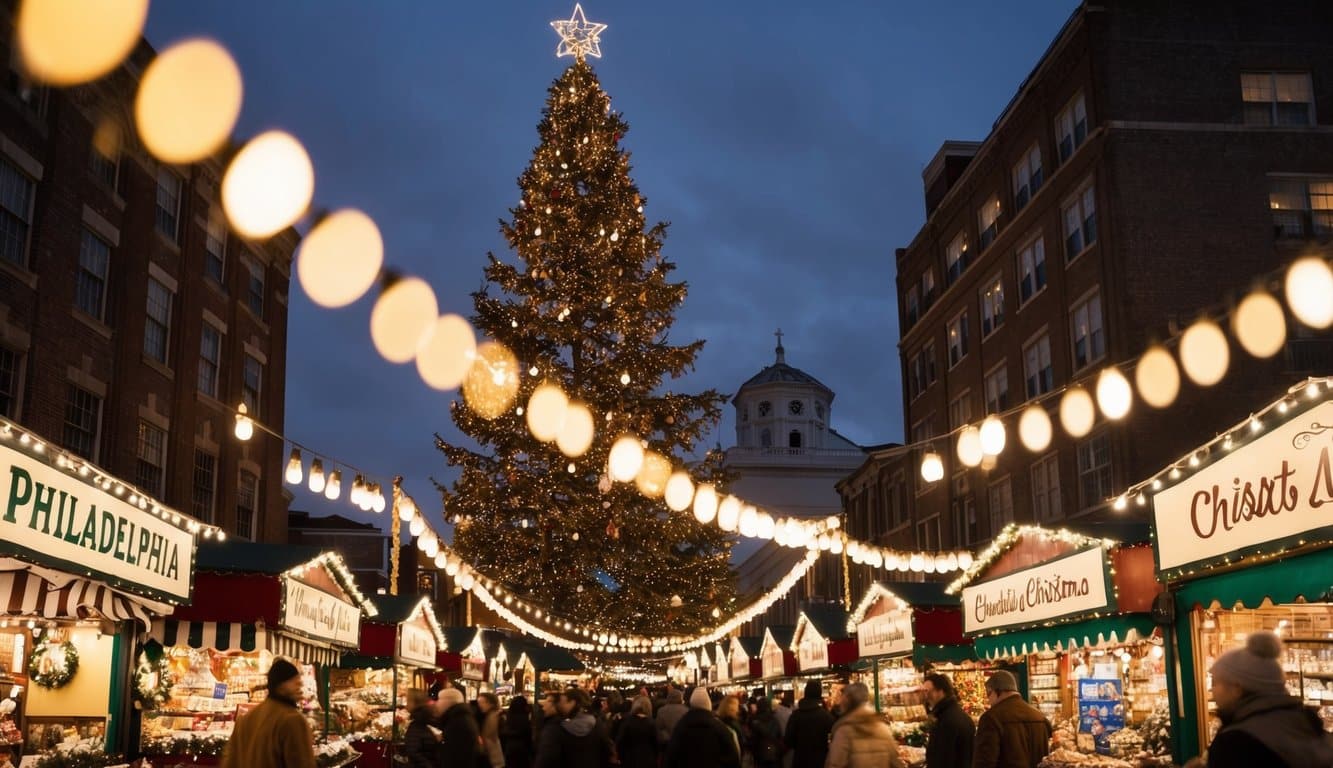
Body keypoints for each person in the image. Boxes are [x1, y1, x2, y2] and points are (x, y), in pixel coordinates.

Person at [1191, 631, 1333, 768]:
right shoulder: (1305, 722)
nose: (1212, 689)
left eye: (1216, 682)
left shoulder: (1236, 742)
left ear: (1236, 688)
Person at [220, 658, 317, 768]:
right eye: (295, 682)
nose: (300, 687)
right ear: (280, 686)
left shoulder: (245, 720)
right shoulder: (292, 720)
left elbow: (230, 762)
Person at [972, 670, 1051, 768]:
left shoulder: (991, 718)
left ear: (998, 691)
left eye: (988, 694)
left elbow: (984, 762)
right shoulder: (1039, 716)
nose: (988, 699)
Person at [825, 682, 905, 768]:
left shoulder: (844, 732)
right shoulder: (882, 728)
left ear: (847, 702)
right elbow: (896, 762)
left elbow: (834, 764)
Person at [665, 687, 740, 768]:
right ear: (708, 705)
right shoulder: (719, 728)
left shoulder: (681, 726)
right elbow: (732, 758)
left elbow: (671, 756)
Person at [922, 673, 974, 768]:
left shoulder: (946, 720)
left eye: (927, 691)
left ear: (940, 691)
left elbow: (941, 758)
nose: (926, 696)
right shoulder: (960, 715)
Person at [555, 688, 613, 768]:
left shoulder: (560, 726)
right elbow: (607, 749)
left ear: (573, 702)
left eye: (565, 702)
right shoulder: (596, 722)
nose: (562, 706)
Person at [784, 680, 833, 768]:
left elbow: (788, 740)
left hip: (800, 760)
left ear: (806, 693)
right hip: (820, 761)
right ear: (819, 694)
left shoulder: (796, 715)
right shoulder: (826, 716)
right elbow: (831, 740)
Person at [438, 688, 483, 768]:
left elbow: (457, 755)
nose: (437, 703)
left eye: (439, 699)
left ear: (447, 701)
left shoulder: (458, 721)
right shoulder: (460, 716)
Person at [616, 695, 658, 768]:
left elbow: (620, 741)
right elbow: (656, 743)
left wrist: (621, 757)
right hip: (648, 759)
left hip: (629, 759)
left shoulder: (627, 722)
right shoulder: (651, 723)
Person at [403, 688, 440, 768]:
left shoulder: (417, 724)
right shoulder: (426, 720)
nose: (406, 704)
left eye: (408, 700)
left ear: (414, 703)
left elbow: (414, 752)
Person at [747, 696, 783, 768]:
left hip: (760, 755)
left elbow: (752, 740)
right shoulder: (774, 720)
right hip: (773, 754)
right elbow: (779, 736)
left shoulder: (754, 721)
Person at [501, 696, 534, 768]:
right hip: (522, 750)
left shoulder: (508, 717)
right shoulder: (525, 718)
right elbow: (528, 736)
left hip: (510, 749)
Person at [533, 693, 564, 768]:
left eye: (548, 702)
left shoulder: (553, 728)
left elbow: (546, 756)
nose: (544, 708)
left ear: (556, 705)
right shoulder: (556, 723)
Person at [477, 692, 506, 768]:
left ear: (491, 704)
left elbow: (501, 737)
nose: (480, 705)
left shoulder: (498, 717)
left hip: (495, 757)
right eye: (479, 703)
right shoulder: (483, 716)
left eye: (483, 702)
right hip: (487, 757)